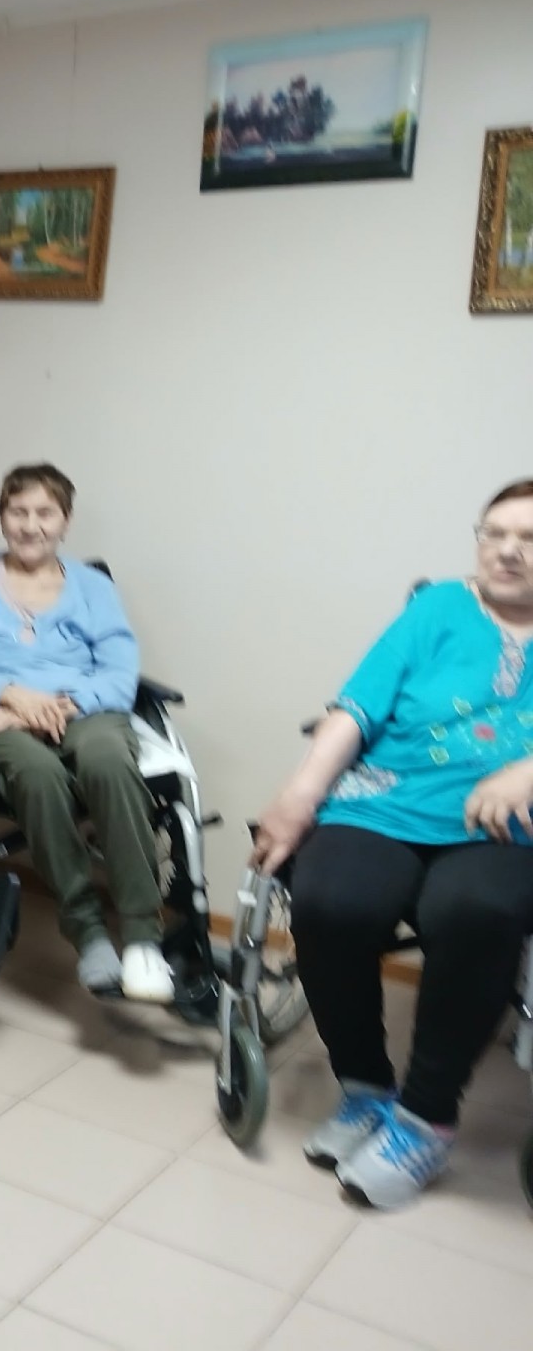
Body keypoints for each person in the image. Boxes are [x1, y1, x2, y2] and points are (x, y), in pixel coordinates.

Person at [252, 480, 533, 1210]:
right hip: (386, 799)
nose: (508, 550)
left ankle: (425, 1120)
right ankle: (365, 1089)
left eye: (529, 539)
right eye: (496, 533)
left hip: (503, 826)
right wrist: (299, 795)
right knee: (329, 899)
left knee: (475, 912)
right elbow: (356, 707)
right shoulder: (437, 607)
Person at [0, 463, 172, 1003]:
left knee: (108, 758)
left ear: (65, 521)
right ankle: (87, 931)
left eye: (45, 513)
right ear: (2, 517)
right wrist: (12, 695)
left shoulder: (94, 588)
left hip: (80, 706)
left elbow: (118, 673)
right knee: (37, 771)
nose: (30, 525)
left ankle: (141, 938)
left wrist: (56, 706)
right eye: (18, 512)